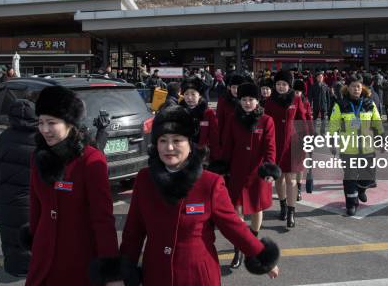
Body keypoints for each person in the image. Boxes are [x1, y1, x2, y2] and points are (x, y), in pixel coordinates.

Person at [120, 105, 280, 285]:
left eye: (177, 140)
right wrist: (122, 273)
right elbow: (133, 232)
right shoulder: (145, 180)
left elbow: (233, 226)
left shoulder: (209, 183)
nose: (169, 147)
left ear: (190, 143)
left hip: (198, 275)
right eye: (162, 140)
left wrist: (261, 255)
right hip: (157, 274)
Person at [21, 86, 124, 286]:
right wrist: (34, 240)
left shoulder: (91, 160)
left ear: (70, 124)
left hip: (78, 258)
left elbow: (102, 219)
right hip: (43, 255)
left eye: (51, 123)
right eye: (41, 122)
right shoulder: (38, 156)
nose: (44, 129)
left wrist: (111, 271)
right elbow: (36, 206)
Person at [221, 83, 281, 269]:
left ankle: (252, 245)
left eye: (251, 99)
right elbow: (227, 145)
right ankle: (239, 248)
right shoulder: (233, 118)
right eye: (244, 99)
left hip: (258, 173)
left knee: (256, 209)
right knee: (236, 209)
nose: (247, 103)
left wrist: (269, 169)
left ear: (257, 101)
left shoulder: (266, 120)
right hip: (237, 171)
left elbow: (270, 147)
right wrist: (222, 167)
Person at [0, 100, 37, 277]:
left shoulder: (5, 137)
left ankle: (14, 267)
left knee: (10, 233)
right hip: (32, 198)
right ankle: (31, 268)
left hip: (7, 198)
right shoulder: (41, 140)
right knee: (33, 234)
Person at [329, 75, 384, 216]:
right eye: (353, 86)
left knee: (369, 176)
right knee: (350, 177)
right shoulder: (340, 105)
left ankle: (361, 189)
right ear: (347, 88)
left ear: (362, 88)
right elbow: (333, 125)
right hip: (348, 148)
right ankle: (351, 204)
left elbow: (377, 122)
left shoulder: (369, 104)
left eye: (358, 86)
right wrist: (332, 142)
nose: (356, 89)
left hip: (367, 147)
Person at [264, 69, 307, 228]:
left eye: (284, 84)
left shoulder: (296, 99)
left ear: (289, 85)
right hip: (274, 145)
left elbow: (302, 120)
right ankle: (282, 206)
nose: (281, 87)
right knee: (279, 178)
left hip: (293, 145)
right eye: (278, 84)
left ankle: (291, 212)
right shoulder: (269, 101)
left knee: (291, 179)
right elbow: (265, 123)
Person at [179, 76, 221, 163]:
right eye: (186, 94)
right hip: (182, 154)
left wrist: (215, 158)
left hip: (202, 156)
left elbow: (214, 137)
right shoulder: (178, 112)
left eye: (193, 94)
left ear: (200, 95)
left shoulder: (208, 113)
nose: (189, 98)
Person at [294, 79, 314, 202]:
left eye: (299, 91)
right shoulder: (288, 102)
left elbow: (309, 119)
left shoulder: (306, 103)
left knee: (299, 165)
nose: (297, 93)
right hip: (290, 136)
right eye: (295, 91)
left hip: (302, 136)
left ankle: (298, 189)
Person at [216, 73, 245, 140]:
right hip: (227, 137)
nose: (236, 90)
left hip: (243, 137)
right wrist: (218, 139)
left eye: (239, 87)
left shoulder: (247, 101)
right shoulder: (223, 100)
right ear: (229, 87)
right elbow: (219, 121)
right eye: (234, 87)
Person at [308, 71, 331, 135]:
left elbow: (328, 97)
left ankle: (322, 132)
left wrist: (328, 105)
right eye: (319, 77)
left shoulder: (325, 86)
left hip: (324, 105)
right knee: (314, 119)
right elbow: (310, 97)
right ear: (316, 78)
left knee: (323, 119)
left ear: (323, 78)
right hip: (316, 105)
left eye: (321, 77)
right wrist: (309, 105)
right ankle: (314, 132)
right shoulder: (313, 86)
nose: (320, 78)